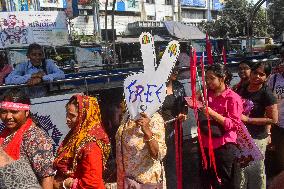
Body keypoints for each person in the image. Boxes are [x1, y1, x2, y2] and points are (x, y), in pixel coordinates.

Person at [198, 63, 243, 189]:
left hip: (223, 145)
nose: (208, 81)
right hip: (206, 143)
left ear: (222, 78)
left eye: (211, 78)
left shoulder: (233, 98)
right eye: (206, 78)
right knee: (208, 178)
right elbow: (194, 103)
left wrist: (212, 113)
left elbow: (233, 124)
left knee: (226, 180)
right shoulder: (207, 94)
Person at [0, 89, 54, 189]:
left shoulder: (35, 137)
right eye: (4, 112)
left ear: (26, 112)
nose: (8, 117)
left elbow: (47, 177)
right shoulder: (5, 134)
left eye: (14, 112)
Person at [53, 94, 111, 189]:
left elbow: (92, 183)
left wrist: (65, 184)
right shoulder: (74, 137)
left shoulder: (91, 145)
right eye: (67, 114)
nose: (67, 119)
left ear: (84, 116)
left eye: (72, 116)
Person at [237, 62, 278, 189]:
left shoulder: (267, 94)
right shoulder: (242, 88)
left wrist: (248, 120)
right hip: (241, 136)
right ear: (251, 72)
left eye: (262, 74)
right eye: (255, 72)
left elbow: (273, 119)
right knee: (241, 169)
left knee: (256, 171)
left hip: (257, 138)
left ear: (267, 77)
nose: (257, 76)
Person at [116, 110, 167, 189]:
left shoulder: (155, 118)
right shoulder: (127, 115)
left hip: (144, 183)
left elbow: (159, 154)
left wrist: (147, 131)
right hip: (126, 181)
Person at [160, 66, 187, 189]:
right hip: (158, 131)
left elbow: (184, 105)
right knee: (159, 163)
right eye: (173, 69)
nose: (176, 72)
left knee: (173, 162)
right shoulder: (154, 87)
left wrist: (183, 113)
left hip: (174, 129)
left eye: (177, 69)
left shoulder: (179, 86)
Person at [267, 46, 284, 176]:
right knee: (280, 157)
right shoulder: (274, 79)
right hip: (279, 125)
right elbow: (267, 103)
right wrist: (269, 130)